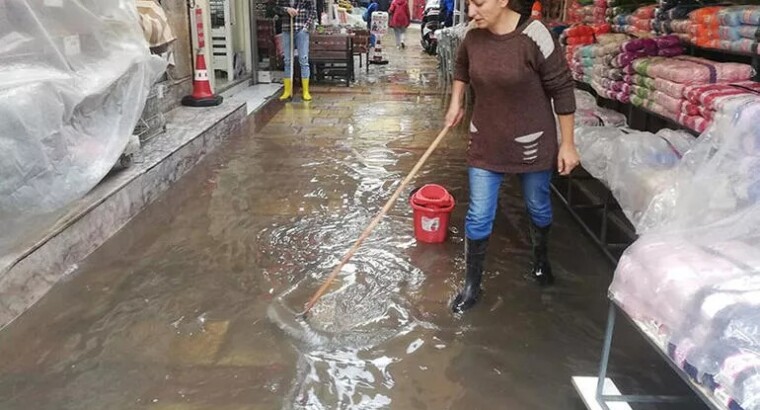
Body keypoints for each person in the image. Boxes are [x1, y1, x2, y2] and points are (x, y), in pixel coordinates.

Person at [445, 0, 580, 313]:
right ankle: (471, 284)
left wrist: (568, 144)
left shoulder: (535, 34)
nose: (470, 12)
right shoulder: (472, 34)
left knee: (538, 207)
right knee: (479, 214)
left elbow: (562, 87)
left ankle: (540, 258)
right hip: (486, 139)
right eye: (468, 4)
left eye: (478, 3)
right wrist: (456, 102)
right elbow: (462, 68)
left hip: (531, 142)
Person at [277, 0, 317, 101]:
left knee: (303, 60)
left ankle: (305, 91)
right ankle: (287, 90)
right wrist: (287, 10)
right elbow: (276, 8)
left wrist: (306, 27)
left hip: (301, 29)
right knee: (287, 60)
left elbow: (313, 11)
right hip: (287, 29)